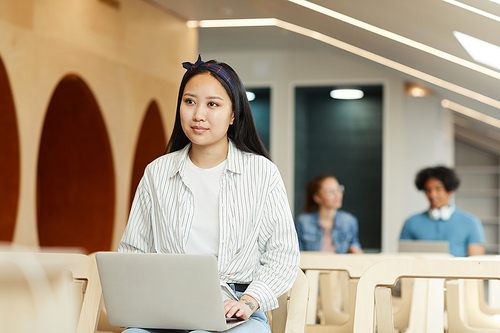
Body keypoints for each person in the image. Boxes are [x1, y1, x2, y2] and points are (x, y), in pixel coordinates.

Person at [118, 55, 300, 333]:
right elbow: (133, 252)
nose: (198, 115)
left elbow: (282, 254)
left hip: (239, 309)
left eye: (212, 104)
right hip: (168, 309)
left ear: (233, 114)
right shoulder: (157, 173)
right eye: (189, 101)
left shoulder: (262, 173)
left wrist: (250, 301)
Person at [400, 166, 485, 257]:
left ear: (450, 190)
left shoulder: (470, 222)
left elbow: (476, 263)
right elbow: (403, 258)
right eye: (428, 190)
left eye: (438, 189)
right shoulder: (411, 222)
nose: (432, 195)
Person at [295, 174, 363, 253]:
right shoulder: (303, 222)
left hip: (339, 265)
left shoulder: (349, 221)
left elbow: (354, 244)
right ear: (317, 198)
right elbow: (298, 253)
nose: (338, 195)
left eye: (339, 189)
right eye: (330, 191)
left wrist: (355, 250)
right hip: (312, 265)